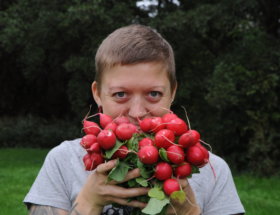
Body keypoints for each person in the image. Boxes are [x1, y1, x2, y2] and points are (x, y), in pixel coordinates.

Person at [24, 24, 245, 215]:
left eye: (154, 94)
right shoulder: (63, 162)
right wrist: (89, 202)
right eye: (120, 94)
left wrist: (189, 211)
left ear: (173, 92)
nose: (138, 112)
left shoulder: (213, 170)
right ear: (98, 93)